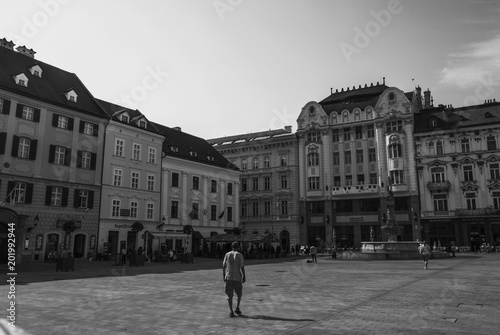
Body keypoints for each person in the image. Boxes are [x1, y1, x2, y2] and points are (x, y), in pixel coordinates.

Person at [222, 242, 246, 318]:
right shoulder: (239, 255)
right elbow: (242, 266)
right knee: (239, 293)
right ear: (238, 247)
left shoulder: (227, 254)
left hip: (228, 277)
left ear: (231, 247)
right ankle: (237, 307)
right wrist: (244, 275)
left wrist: (223, 275)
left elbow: (223, 266)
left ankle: (231, 311)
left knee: (229, 295)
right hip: (237, 277)